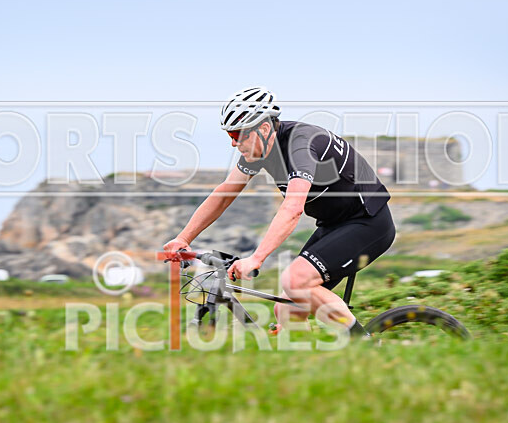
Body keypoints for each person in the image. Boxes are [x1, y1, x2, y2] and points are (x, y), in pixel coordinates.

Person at [163, 87, 395, 336]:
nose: (233, 142)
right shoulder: (260, 149)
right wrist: (184, 238)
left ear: (263, 129)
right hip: (333, 225)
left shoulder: (300, 146)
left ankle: (364, 344)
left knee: (296, 282)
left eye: (237, 134)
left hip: (368, 223)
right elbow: (224, 194)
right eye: (229, 134)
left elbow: (293, 208)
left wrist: (256, 258)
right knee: (286, 309)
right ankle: (311, 357)